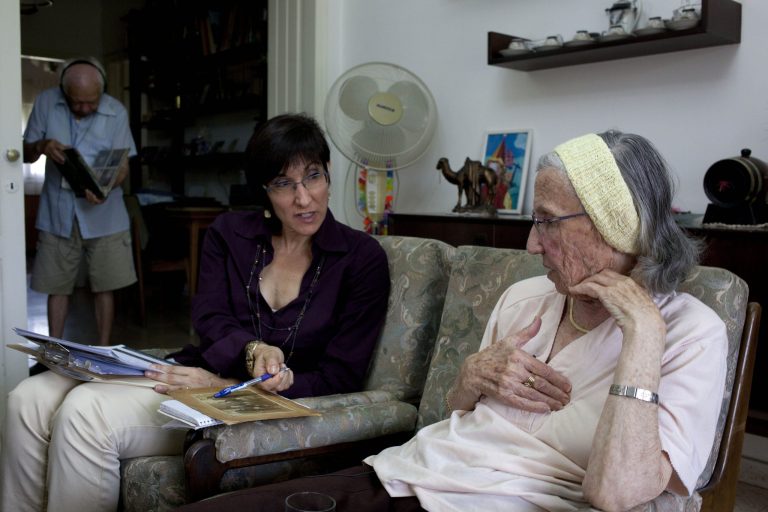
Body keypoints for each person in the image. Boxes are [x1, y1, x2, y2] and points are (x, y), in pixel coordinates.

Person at [175, 130, 728, 512]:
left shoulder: (687, 332)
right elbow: (452, 416)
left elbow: (616, 493)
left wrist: (642, 340)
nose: (532, 243)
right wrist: (471, 377)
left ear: (617, 226)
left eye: (548, 223)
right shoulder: (526, 297)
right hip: (403, 475)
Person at [0, 113, 390, 511]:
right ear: (264, 190)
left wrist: (224, 381)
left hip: (254, 406)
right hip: (195, 375)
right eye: (283, 183)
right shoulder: (230, 234)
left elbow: (342, 375)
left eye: (313, 176)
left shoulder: (361, 259)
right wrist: (252, 350)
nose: (303, 197)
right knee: (27, 398)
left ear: (327, 174)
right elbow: (210, 318)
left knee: (85, 413)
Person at [23, 56, 137, 346]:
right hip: (57, 213)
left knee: (105, 286)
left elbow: (123, 165)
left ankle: (103, 352)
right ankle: (53, 354)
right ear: (64, 92)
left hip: (105, 213)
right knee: (56, 286)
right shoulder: (46, 103)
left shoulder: (117, 111)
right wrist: (42, 145)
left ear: (102, 91)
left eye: (92, 102)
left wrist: (106, 188)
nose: (85, 108)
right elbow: (24, 154)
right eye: (78, 103)